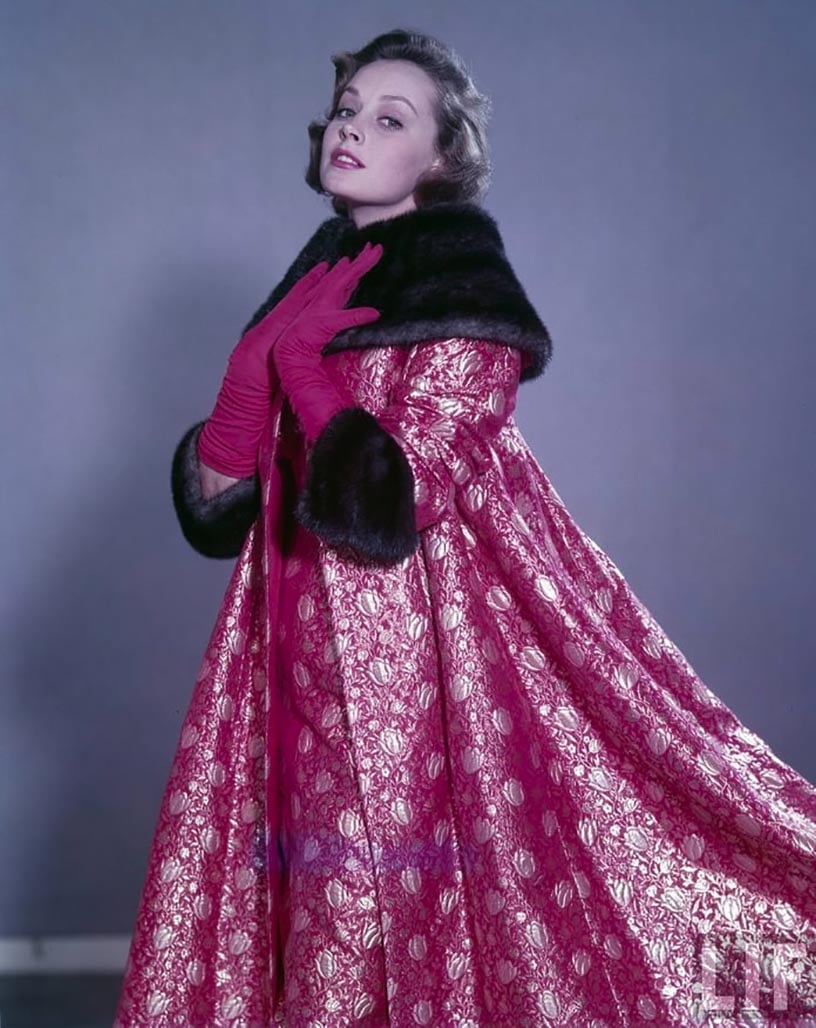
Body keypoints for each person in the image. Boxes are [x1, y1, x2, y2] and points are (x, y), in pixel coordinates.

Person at [114, 27, 816, 1028]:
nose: (353, 128)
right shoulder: (317, 281)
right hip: (285, 647)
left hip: (418, 671)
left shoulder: (466, 303)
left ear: (440, 159)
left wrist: (302, 371)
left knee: (381, 908)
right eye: (348, 109)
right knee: (297, 907)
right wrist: (246, 378)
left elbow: (395, 505)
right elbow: (223, 507)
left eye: (389, 118)